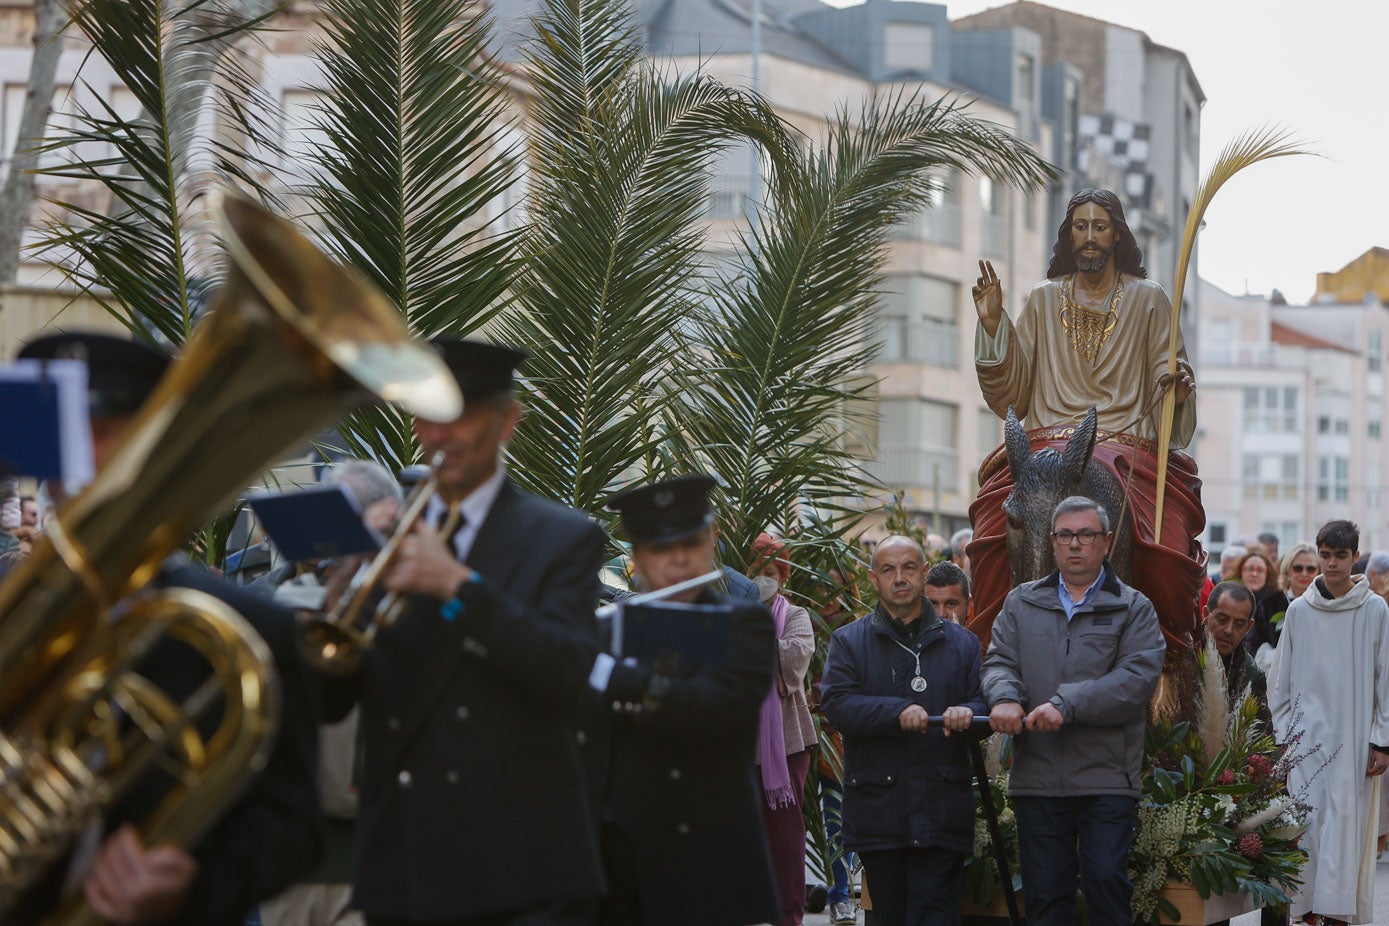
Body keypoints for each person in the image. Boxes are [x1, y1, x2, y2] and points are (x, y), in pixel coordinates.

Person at [11, 331, 321, 925]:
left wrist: (192, 886)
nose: (78, 464)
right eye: (61, 438)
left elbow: (292, 831)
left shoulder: (253, 628)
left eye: (103, 434)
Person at [311, 337, 607, 926]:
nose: (438, 434)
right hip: (404, 862)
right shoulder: (393, 534)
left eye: (460, 417)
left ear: (507, 422)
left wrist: (458, 586)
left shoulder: (563, 537)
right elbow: (333, 697)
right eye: (426, 416)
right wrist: (340, 595)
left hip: (518, 866)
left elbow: (568, 672)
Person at [445, 472, 781, 926]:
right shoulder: (604, 629)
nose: (679, 560)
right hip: (613, 866)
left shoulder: (742, 624)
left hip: (701, 864)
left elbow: (713, 708)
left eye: (692, 544)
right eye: (661, 549)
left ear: (710, 544)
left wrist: (609, 673)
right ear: (637, 559)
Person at [968, 189, 1203, 652]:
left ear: (1116, 234)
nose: (1090, 237)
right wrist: (994, 325)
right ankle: (991, 651)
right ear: (1068, 235)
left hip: (1126, 440)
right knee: (991, 533)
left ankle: (1168, 660)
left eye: (1099, 227)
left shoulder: (1149, 299)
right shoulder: (1041, 299)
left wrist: (1174, 386)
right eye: (1081, 227)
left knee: (1168, 551)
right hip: (1046, 440)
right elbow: (1012, 392)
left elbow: (1166, 373)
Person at [982, 495, 1164, 926]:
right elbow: (999, 662)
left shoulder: (1132, 606)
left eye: (1086, 534)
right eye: (1065, 535)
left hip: (1106, 778)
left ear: (1106, 542)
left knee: (1105, 885)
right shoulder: (1021, 602)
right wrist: (1004, 696)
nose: (1075, 544)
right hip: (1038, 778)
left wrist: (1067, 703)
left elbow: (1136, 681)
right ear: (1052, 542)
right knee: (1045, 899)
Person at [821, 535, 985, 926]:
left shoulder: (963, 643)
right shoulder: (849, 642)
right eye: (888, 569)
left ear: (923, 572)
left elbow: (985, 705)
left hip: (940, 809)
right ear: (873, 578)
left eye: (909, 568)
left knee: (936, 915)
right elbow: (838, 705)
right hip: (880, 809)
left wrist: (969, 712)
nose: (900, 578)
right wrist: (896, 712)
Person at [1270, 520, 1389, 926]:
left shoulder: (1374, 609)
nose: (1331, 563)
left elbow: (1384, 676)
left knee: (1345, 827)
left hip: (1354, 737)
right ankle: (1308, 915)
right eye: (1325, 555)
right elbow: (1281, 679)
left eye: (1340, 555)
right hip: (1306, 740)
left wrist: (1382, 740)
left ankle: (1339, 916)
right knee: (1307, 826)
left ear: (1355, 557)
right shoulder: (1300, 610)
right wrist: (1284, 736)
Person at [749, 533, 817, 926]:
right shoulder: (729, 613)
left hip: (785, 744)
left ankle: (789, 914)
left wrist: (748, 642)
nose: (762, 580)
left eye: (770, 572)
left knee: (786, 834)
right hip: (739, 745)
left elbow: (791, 662)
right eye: (754, 572)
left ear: (784, 576)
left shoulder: (795, 616)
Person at [1247, 542, 1317, 665]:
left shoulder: (1325, 603)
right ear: (1287, 570)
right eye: (1298, 568)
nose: (1304, 574)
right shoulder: (1269, 604)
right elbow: (1254, 645)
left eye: (1311, 569)